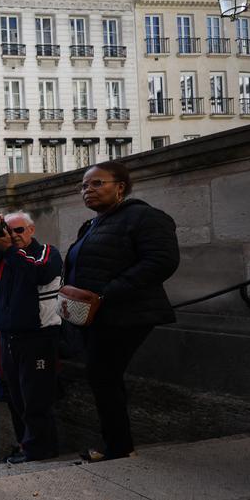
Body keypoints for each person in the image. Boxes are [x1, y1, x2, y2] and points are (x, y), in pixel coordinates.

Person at [65, 161, 179, 461]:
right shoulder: (90, 225)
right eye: (84, 185)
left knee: (103, 375)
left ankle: (118, 447)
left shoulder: (144, 217)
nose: (88, 189)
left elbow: (161, 261)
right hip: (96, 315)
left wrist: (107, 293)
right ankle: (118, 444)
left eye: (97, 183)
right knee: (102, 377)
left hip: (127, 313)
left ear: (120, 187)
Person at [0, 210, 62, 464]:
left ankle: (40, 450)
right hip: (8, 339)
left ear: (31, 230)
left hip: (38, 337)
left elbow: (39, 274)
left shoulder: (47, 253)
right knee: (17, 398)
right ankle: (27, 446)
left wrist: (10, 251)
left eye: (19, 230)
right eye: (9, 230)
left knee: (36, 398)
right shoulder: (2, 258)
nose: (13, 236)